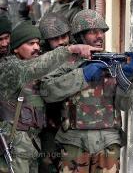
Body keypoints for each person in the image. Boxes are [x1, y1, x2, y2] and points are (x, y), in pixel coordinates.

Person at [40, 9, 133, 173]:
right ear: (80, 35)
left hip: (108, 143)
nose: (100, 36)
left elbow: (124, 105)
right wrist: (83, 74)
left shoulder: (114, 62)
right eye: (93, 32)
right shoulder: (65, 61)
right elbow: (47, 92)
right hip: (74, 143)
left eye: (102, 31)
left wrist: (127, 78)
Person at [0, 22, 102, 173]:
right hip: (14, 144)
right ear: (15, 48)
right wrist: (72, 49)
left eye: (37, 43)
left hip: (32, 143)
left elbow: (55, 72)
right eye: (30, 43)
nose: (36, 47)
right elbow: (38, 66)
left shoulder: (33, 69)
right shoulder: (10, 67)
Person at [39, 13, 72, 172]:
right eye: (55, 38)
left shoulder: (74, 55)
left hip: (72, 127)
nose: (61, 42)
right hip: (47, 126)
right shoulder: (40, 61)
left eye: (64, 36)